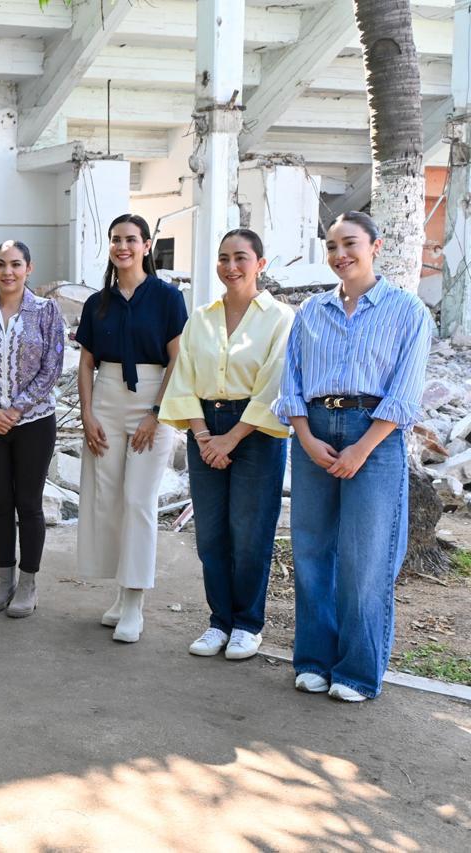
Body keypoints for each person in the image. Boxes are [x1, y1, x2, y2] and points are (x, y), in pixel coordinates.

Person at [274, 211, 432, 701]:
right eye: (331, 246)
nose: (340, 255)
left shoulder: (407, 310)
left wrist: (362, 447)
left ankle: (358, 672)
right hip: (315, 431)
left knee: (366, 557)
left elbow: (405, 391)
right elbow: (291, 380)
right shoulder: (311, 311)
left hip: (375, 435)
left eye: (350, 244)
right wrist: (304, 436)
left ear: (375, 247)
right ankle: (314, 661)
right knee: (312, 550)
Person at [159, 229, 294, 660]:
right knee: (211, 534)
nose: (230, 266)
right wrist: (203, 437)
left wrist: (231, 438)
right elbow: (183, 378)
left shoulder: (280, 318)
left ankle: (248, 624)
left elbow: (275, 384)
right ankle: (219, 621)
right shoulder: (201, 317)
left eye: (240, 257)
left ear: (260, 264)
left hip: (255, 431)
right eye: (223, 258)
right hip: (204, 426)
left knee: (250, 533)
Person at [76, 213, 188, 643]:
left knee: (139, 501)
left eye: (130, 239)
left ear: (146, 245)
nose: (122, 247)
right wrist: (87, 414)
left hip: (152, 399)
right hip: (105, 400)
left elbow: (177, 359)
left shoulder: (167, 297)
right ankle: (121, 594)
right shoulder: (97, 302)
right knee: (108, 501)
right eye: (115, 239)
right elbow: (86, 363)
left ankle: (136, 603)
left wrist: (156, 413)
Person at [0, 240, 67, 618]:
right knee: (0, 503)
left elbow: (52, 367)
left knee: (29, 504)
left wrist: (17, 409)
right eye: (1, 264)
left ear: (28, 269)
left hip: (34, 423)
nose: (8, 272)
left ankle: (28, 584)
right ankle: (4, 580)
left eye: (16, 264)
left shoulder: (46, 311)